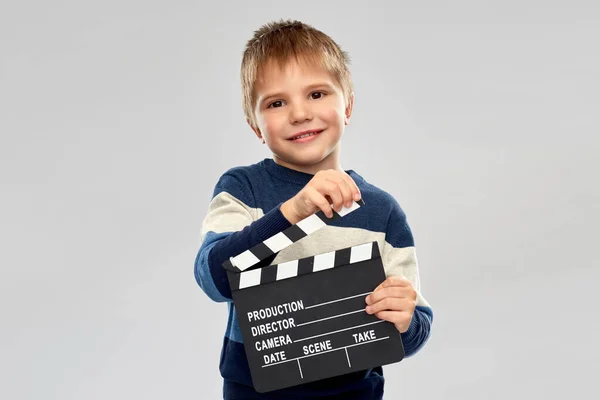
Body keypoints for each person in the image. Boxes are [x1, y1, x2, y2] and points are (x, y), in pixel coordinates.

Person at [194, 19, 433, 399]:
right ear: (256, 126)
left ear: (348, 105)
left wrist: (405, 321)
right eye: (276, 103)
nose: (300, 113)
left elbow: (413, 327)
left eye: (317, 94)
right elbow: (214, 280)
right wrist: (291, 213)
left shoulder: (382, 212)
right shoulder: (243, 190)